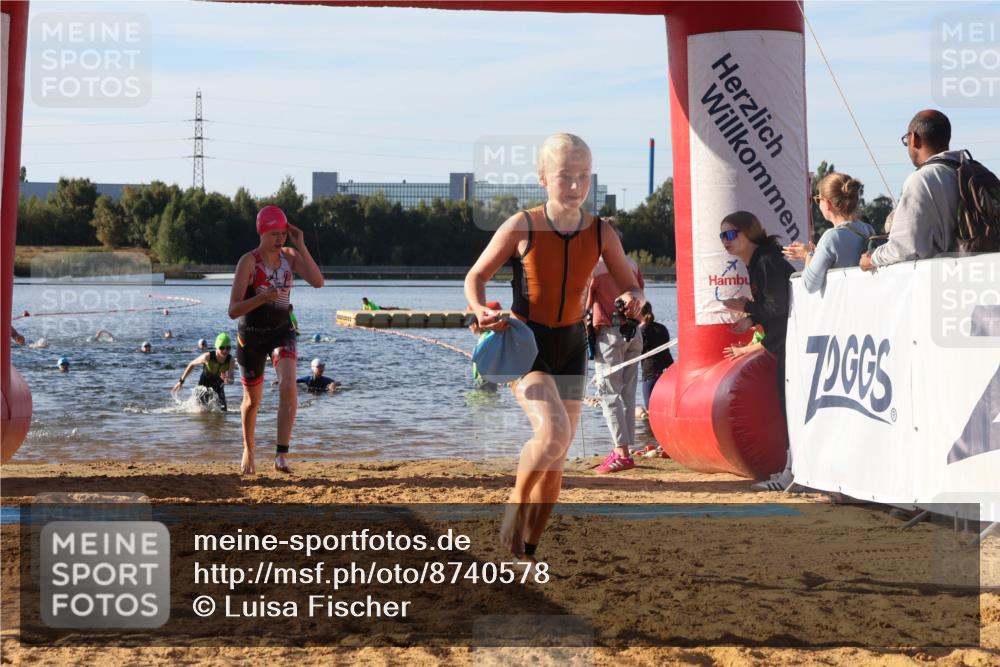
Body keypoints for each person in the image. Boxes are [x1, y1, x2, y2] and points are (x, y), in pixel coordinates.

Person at [465, 133, 644, 559]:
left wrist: (634, 298)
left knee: (557, 456)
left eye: (584, 175)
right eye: (566, 176)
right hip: (526, 344)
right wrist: (480, 308)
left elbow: (630, 284)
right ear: (543, 177)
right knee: (553, 433)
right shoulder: (522, 225)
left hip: (572, 345)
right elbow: (476, 276)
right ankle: (515, 503)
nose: (576, 185)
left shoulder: (601, 232)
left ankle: (527, 550)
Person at [229, 205, 324, 475]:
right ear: (262, 233)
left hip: (282, 331)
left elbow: (318, 281)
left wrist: (300, 244)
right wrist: (261, 298)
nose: (280, 239)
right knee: (252, 401)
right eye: (274, 234)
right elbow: (233, 310)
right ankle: (248, 448)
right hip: (251, 336)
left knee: (288, 383)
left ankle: (281, 455)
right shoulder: (249, 262)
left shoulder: (290, 257)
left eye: (283, 233)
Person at [719, 211, 796, 491]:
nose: (725, 241)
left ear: (749, 232)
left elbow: (779, 305)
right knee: (788, 406)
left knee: (791, 407)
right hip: (786, 343)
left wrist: (748, 309)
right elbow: (775, 306)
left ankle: (792, 474)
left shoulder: (766, 261)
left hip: (793, 343)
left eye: (731, 234)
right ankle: (793, 470)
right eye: (722, 236)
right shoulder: (758, 262)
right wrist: (750, 319)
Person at [860, 110, 961, 271]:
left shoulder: (922, 179)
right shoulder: (968, 171)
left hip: (941, 278)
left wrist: (872, 258)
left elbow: (904, 247)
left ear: (913, 138)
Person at [587, 251, 645, 473]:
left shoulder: (595, 267)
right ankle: (625, 449)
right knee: (628, 393)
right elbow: (641, 296)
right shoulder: (631, 264)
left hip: (610, 335)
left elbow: (584, 304)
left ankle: (622, 453)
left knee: (608, 394)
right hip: (634, 332)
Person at [784, 173, 873, 292]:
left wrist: (808, 255)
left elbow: (809, 285)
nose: (818, 204)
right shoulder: (868, 229)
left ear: (827, 204)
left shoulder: (831, 237)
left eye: (818, 199)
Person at [173, 333, 235, 411]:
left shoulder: (231, 360)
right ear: (216, 347)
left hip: (218, 390)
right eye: (222, 348)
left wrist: (227, 380)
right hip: (203, 389)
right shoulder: (207, 357)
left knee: (223, 413)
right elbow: (192, 364)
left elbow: (231, 380)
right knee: (202, 413)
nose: (225, 350)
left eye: (228, 348)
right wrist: (181, 381)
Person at [638, 302, 674, 415]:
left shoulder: (641, 331)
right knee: (667, 408)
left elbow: (636, 352)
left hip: (650, 373)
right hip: (668, 370)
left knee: (651, 410)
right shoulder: (662, 328)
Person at [469, 301, 503, 392]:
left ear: (474, 325)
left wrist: (474, 357)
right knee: (490, 397)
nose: (470, 329)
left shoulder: (484, 336)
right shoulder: (490, 335)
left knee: (479, 398)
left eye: (470, 326)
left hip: (484, 377)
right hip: (490, 376)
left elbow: (481, 353)